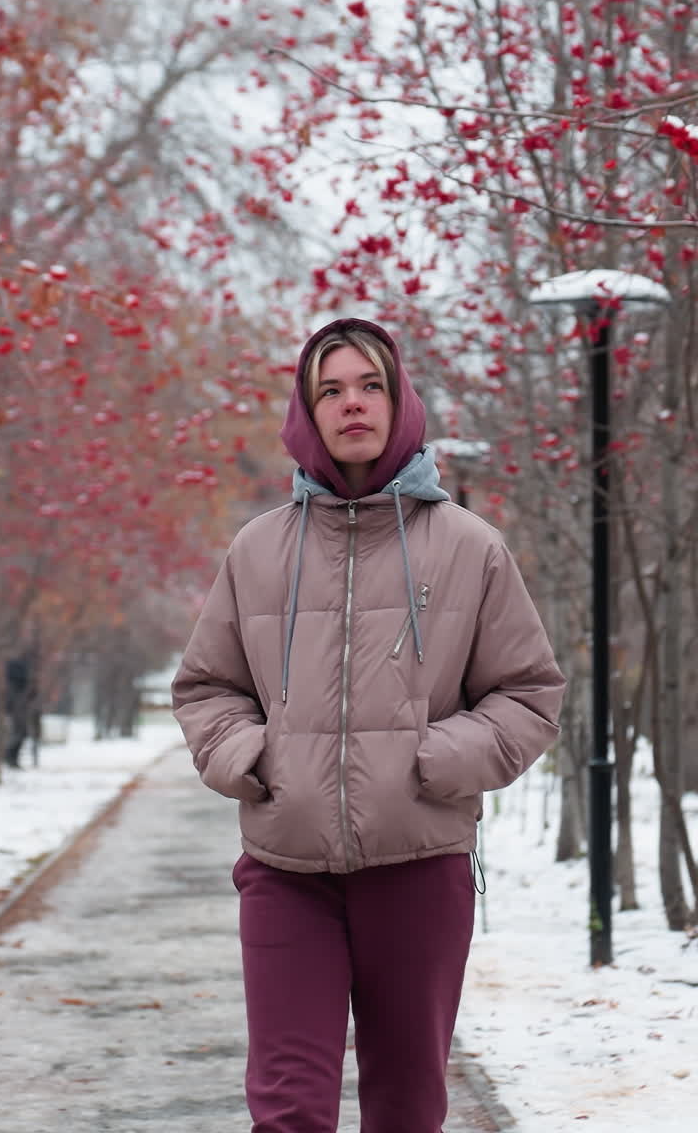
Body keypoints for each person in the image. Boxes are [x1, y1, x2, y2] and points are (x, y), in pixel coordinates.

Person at [172, 316, 566, 1133]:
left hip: (420, 870)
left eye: (370, 385)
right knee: (287, 1108)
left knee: (407, 1104)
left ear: (399, 400)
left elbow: (528, 694)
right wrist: (256, 757)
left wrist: (434, 761)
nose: (353, 403)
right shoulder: (258, 549)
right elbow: (206, 687)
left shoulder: (469, 546)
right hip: (286, 872)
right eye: (331, 389)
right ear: (306, 413)